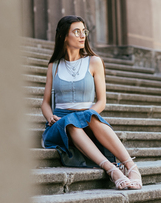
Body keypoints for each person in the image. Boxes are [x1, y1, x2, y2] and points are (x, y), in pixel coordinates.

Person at [41, 15, 142, 190]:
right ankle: (112, 170)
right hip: (60, 123)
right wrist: (50, 117)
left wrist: (85, 115)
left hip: (87, 116)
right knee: (71, 123)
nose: (82, 36)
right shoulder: (54, 66)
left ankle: (132, 168)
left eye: (84, 31)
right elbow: (45, 103)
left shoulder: (94, 62)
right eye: (76, 31)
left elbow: (101, 102)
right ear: (64, 36)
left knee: (90, 116)